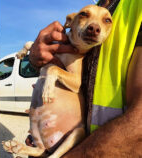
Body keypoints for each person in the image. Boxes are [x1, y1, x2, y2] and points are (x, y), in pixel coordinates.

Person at [27, 0, 142, 157]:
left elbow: (138, 123)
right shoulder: (99, 5)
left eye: (106, 21)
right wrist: (36, 58)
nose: (94, 28)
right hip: (65, 143)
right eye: (84, 16)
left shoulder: (136, 6)